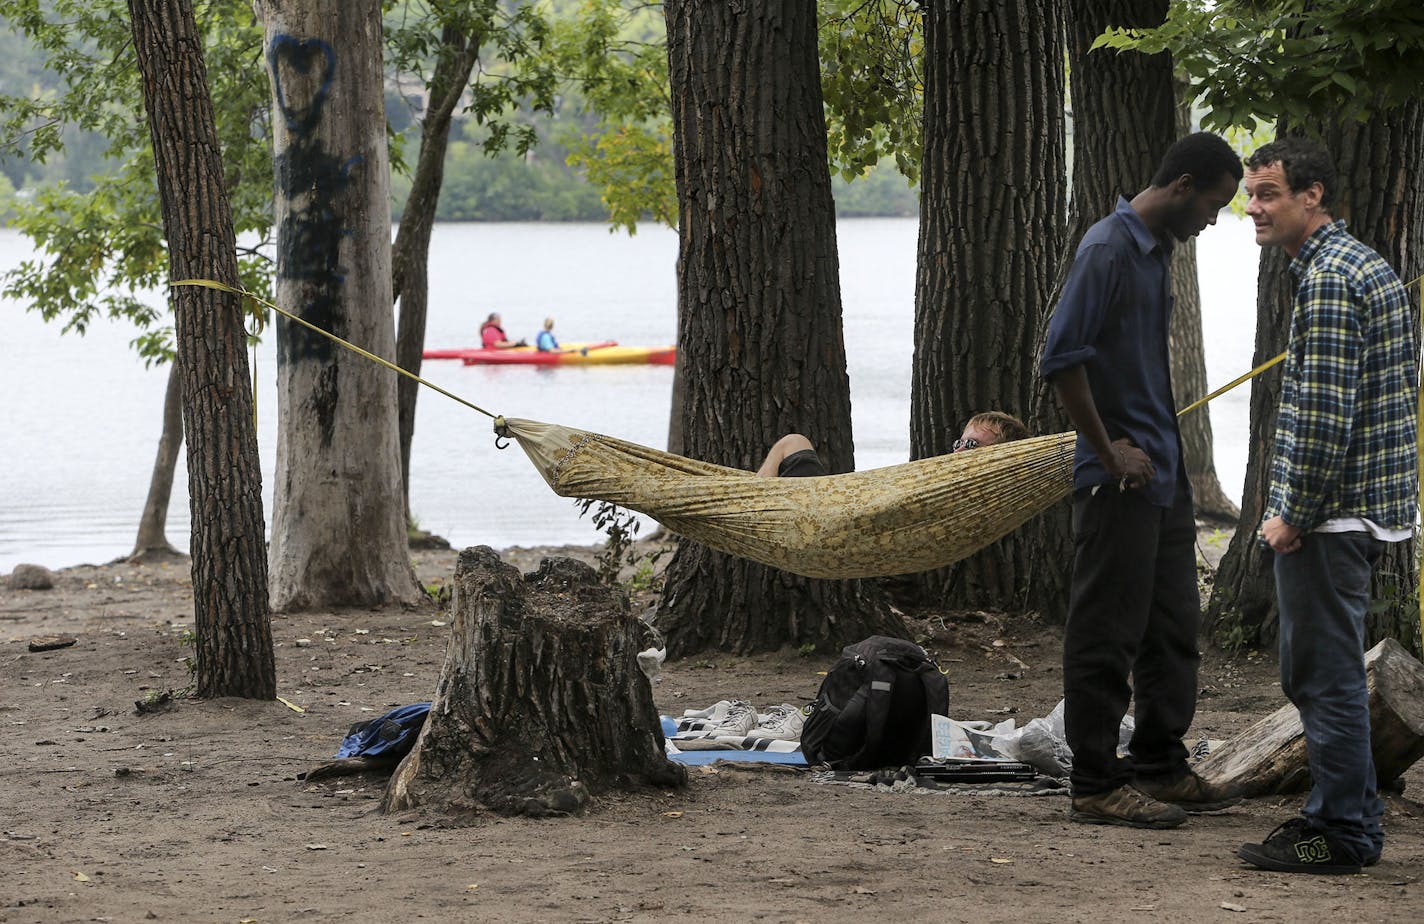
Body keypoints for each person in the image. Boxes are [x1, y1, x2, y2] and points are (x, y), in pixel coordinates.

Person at [1039, 132, 1243, 829]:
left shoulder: (1158, 254)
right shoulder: (1108, 248)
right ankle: (1095, 782)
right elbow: (1062, 358)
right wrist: (1108, 449)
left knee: (1173, 626)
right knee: (1106, 631)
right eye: (1213, 206)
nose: (1213, 221)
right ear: (1182, 185)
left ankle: (1160, 765)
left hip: (1164, 472)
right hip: (1116, 479)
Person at [1235, 138, 1417, 874]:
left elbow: (1325, 414)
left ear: (1313, 196)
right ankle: (1352, 809)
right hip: (1355, 508)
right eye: (1251, 193)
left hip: (1332, 515)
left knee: (1323, 676)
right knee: (1323, 671)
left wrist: (1293, 513)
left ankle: (1340, 832)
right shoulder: (1352, 265)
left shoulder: (1334, 278)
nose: (1253, 207)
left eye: (1269, 193)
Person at [754, 411, 1027, 478]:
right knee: (793, 442)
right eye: (959, 442)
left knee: (793, 442)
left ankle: (752, 505)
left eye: (971, 444)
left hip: (831, 516)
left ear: (1000, 455)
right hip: (832, 501)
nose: (958, 450)